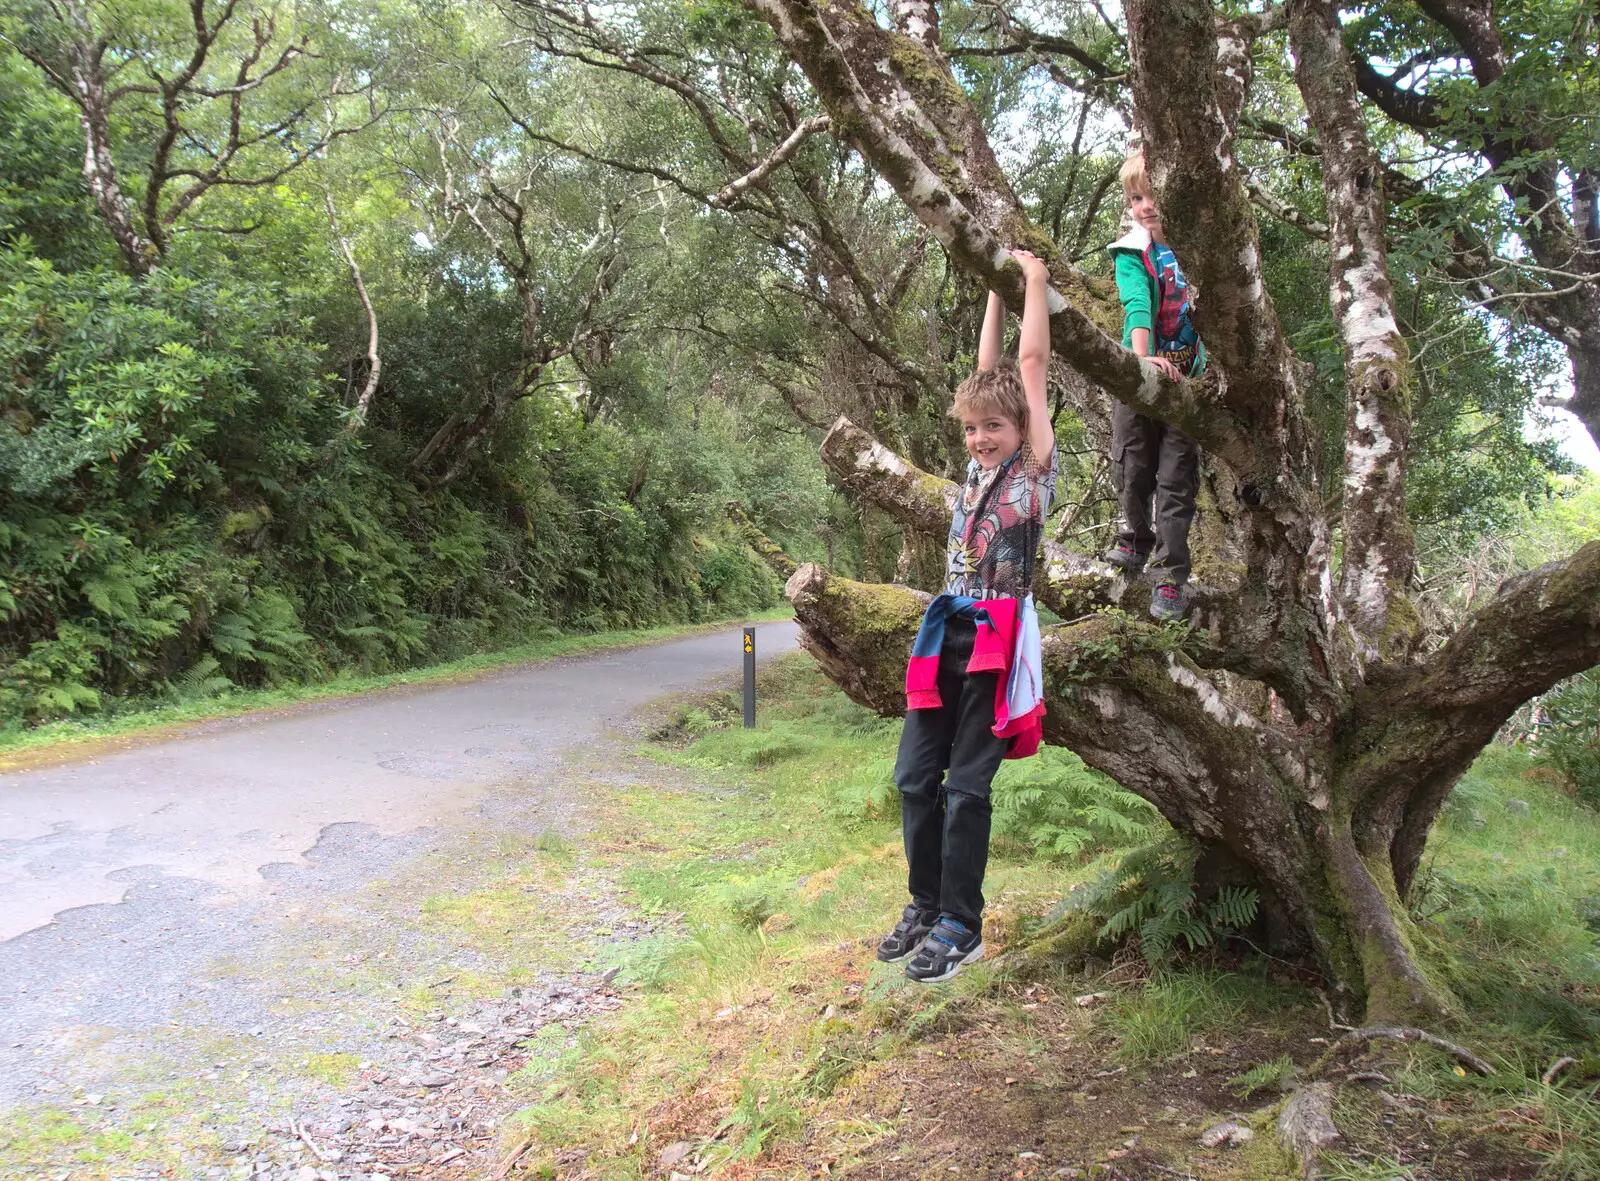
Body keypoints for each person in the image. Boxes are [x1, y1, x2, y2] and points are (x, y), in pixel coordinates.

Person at [877, 249, 1057, 983]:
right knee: (915, 776)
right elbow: (987, 369)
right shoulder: (977, 467)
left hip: (1000, 635)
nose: (982, 437)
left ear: (1020, 429)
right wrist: (991, 285)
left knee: (966, 786)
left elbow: (1030, 363)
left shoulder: (1035, 467)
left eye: (996, 427)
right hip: (944, 627)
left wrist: (1033, 282)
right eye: (973, 427)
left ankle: (962, 921)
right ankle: (925, 900)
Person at [1103, 151, 1206, 621]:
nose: (1146, 205)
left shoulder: (1200, 253)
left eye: (1153, 194)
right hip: (1140, 372)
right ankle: (1135, 538)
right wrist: (1142, 363)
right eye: (1136, 197)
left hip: (1188, 380)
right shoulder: (1132, 252)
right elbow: (1137, 305)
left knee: (1176, 478)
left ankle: (1170, 576)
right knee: (1133, 463)